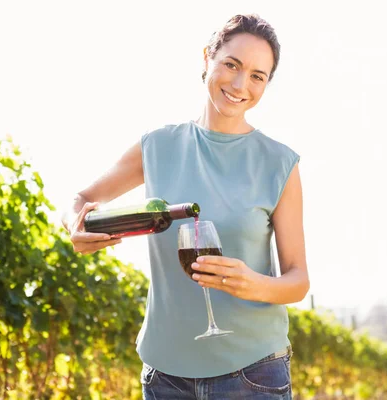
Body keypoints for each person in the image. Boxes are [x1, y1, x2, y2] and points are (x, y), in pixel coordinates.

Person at [62, 13, 309, 399]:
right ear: (207, 57)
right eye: (231, 64)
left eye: (258, 76)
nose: (241, 84)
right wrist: (74, 227)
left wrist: (253, 283)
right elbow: (82, 200)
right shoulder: (158, 145)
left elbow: (298, 280)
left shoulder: (279, 164)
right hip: (165, 377)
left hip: (253, 375)